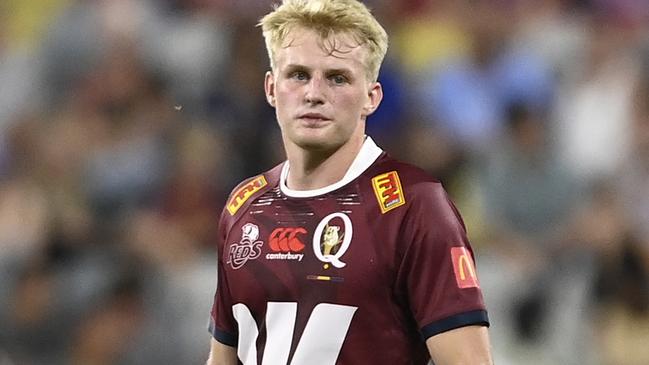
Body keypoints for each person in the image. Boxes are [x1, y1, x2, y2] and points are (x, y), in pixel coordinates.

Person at [206, 1, 493, 364]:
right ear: (271, 88)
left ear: (371, 97)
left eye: (337, 78)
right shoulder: (243, 207)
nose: (314, 93)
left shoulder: (414, 205)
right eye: (297, 75)